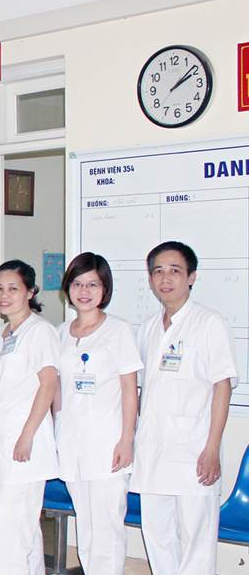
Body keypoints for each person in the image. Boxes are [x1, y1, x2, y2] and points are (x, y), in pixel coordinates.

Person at [133, 240, 237, 575]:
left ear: (191, 277)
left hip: (193, 451)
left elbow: (222, 386)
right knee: (158, 536)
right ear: (150, 280)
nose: (165, 278)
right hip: (152, 451)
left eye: (175, 271)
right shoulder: (148, 327)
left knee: (196, 539)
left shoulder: (209, 323)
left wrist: (212, 448)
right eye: (158, 271)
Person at [53, 252, 141, 575]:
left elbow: (130, 391)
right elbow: (57, 388)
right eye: (77, 283)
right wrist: (57, 429)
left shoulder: (119, 331)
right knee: (86, 530)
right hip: (72, 442)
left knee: (107, 530)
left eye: (93, 284)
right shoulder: (61, 332)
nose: (84, 291)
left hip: (108, 444)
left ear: (105, 289)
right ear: (68, 288)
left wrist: (126, 440)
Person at [0, 259, 59, 575]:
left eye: (13, 288)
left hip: (25, 447)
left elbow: (48, 385)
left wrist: (27, 435)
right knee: (25, 531)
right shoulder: (2, 333)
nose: (5, 295)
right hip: (3, 445)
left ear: (30, 292)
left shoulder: (40, 331)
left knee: (9, 529)